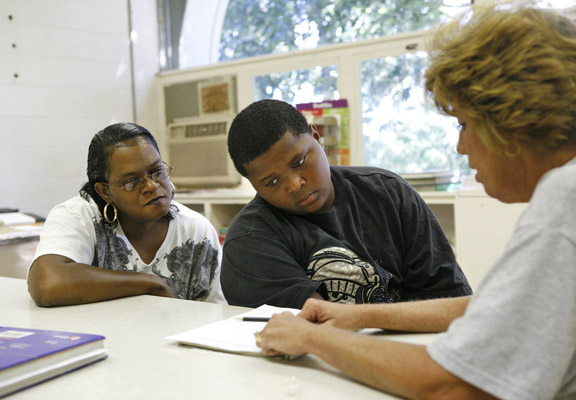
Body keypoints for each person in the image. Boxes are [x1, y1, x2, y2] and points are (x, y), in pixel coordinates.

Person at [257, 2, 576, 399]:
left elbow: (455, 385)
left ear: (511, 117)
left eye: (463, 123)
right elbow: (494, 309)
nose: (460, 146)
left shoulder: (565, 199)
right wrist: (359, 315)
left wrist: (312, 339)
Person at [222, 98, 472, 309]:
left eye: (298, 162)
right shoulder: (249, 240)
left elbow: (450, 300)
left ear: (317, 137)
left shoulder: (389, 193)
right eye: (272, 182)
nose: (294, 184)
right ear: (254, 185)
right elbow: (315, 328)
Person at [28, 122, 225, 307]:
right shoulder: (78, 216)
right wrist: (148, 284)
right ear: (105, 192)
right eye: (132, 181)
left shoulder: (196, 229)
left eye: (157, 172)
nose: (151, 186)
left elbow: (214, 313)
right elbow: (47, 282)